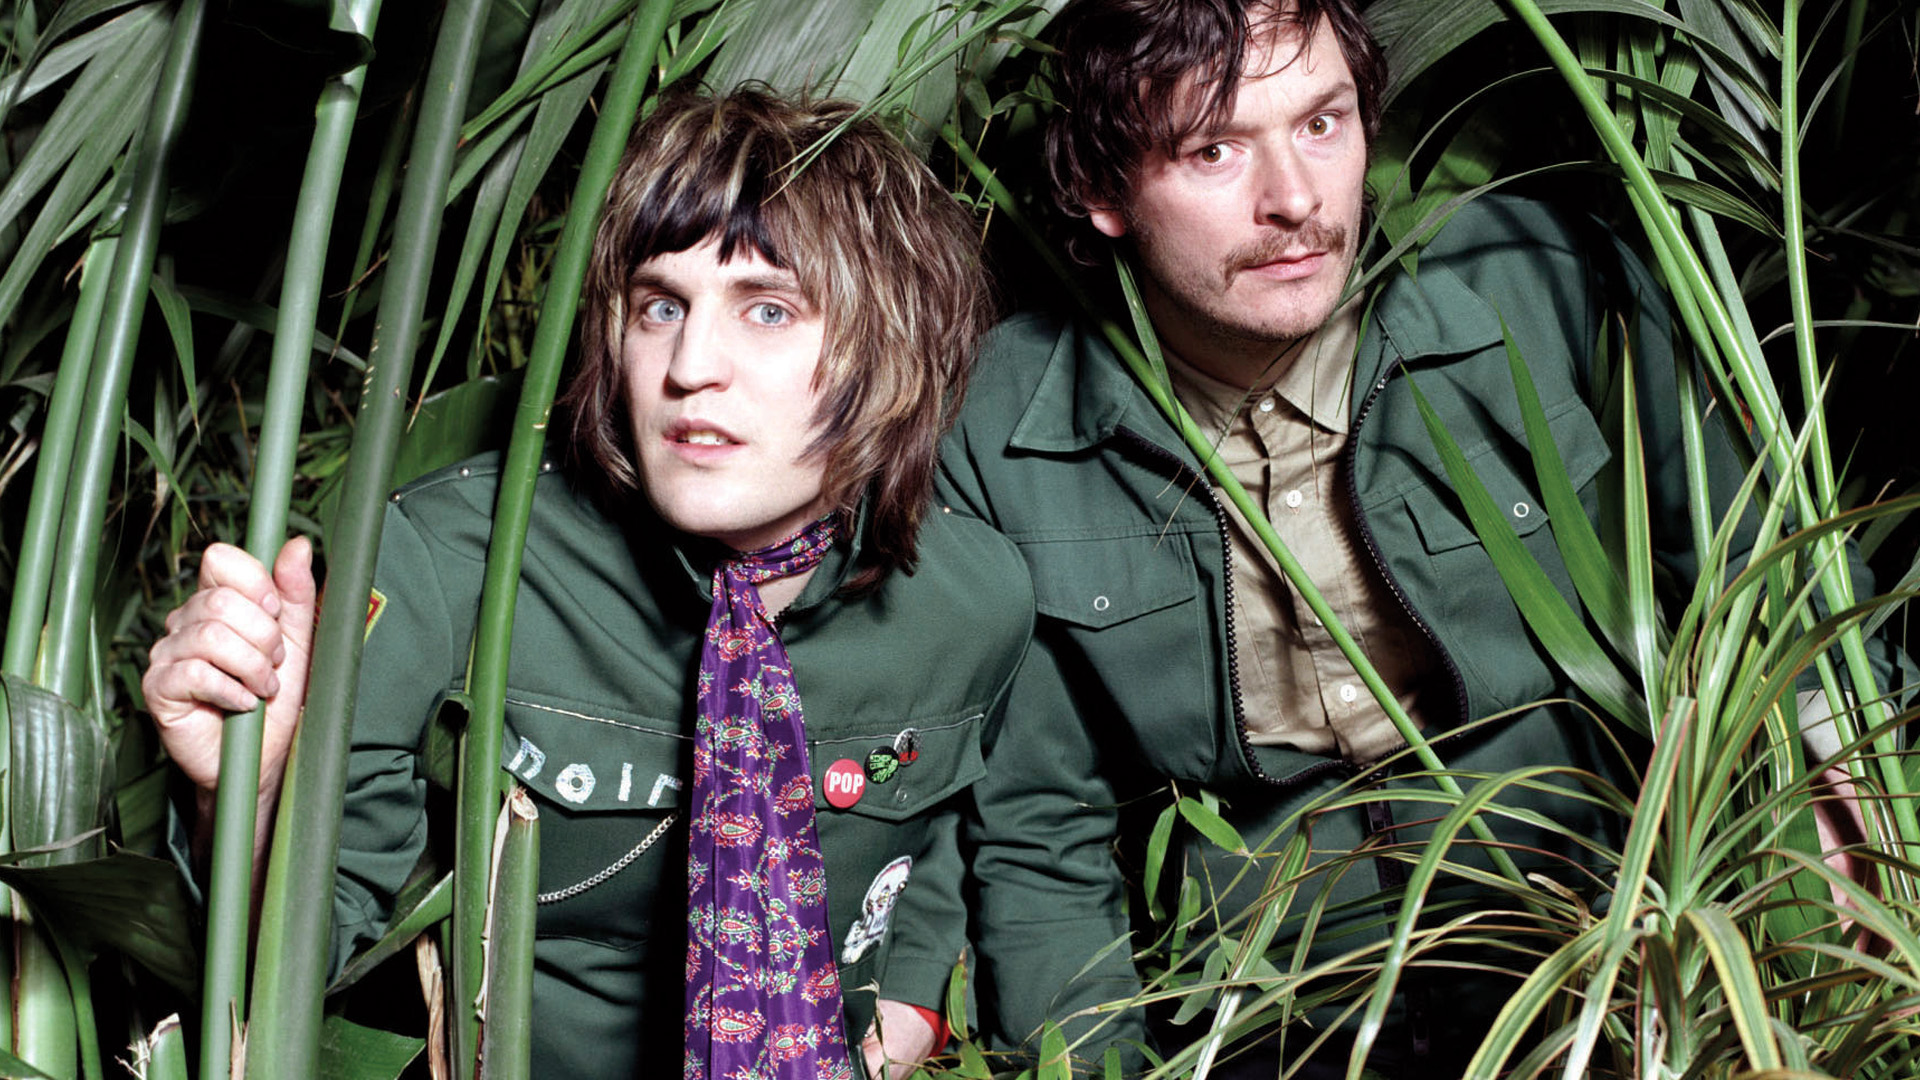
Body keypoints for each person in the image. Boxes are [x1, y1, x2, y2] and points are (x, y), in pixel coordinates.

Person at [938, 0, 1901, 1075]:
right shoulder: (1003, 429)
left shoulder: (1532, 278)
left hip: (1598, 922)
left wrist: (1850, 810)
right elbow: (1041, 835)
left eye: (1322, 123)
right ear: (1099, 189)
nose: (1296, 200)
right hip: (1277, 997)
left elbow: (1765, 571)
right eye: (1214, 150)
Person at [144, 87, 1030, 1080]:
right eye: (661, 306)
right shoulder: (450, 563)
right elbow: (300, 962)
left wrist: (912, 1002)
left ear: (896, 347)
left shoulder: (976, 602)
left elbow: (945, 828)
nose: (690, 366)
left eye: (769, 309)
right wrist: (252, 794)